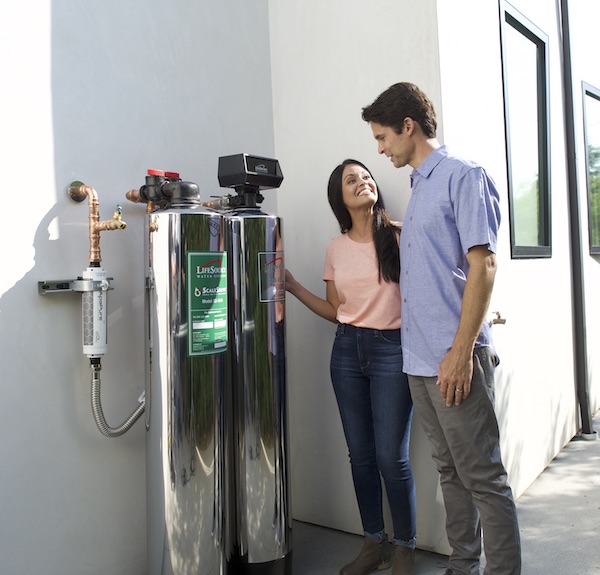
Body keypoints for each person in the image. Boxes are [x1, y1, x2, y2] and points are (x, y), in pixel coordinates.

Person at [361, 82, 521, 575]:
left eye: (383, 137)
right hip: (418, 360)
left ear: (408, 126)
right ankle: (463, 564)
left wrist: (459, 351)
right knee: (450, 471)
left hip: (455, 358)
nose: (381, 149)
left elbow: (484, 265)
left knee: (482, 477)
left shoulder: (462, 176)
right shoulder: (418, 185)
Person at [285, 159, 416, 575]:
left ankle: (405, 549)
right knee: (359, 455)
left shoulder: (399, 236)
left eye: (366, 176)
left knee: (390, 458)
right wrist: (292, 286)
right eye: (351, 179)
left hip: (393, 352)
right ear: (339, 198)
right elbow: (336, 310)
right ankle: (374, 543)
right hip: (346, 352)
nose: (363, 182)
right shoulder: (336, 248)